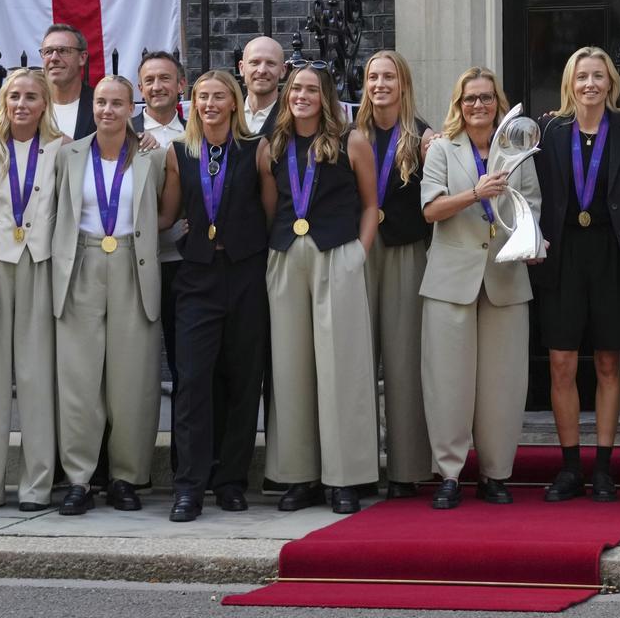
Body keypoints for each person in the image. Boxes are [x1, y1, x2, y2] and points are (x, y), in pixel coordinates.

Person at [260, 65, 381, 515]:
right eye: (296, 88)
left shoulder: (353, 141)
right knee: (290, 368)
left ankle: (345, 477)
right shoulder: (272, 145)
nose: (302, 96)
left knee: (341, 368)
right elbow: (270, 207)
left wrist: (358, 255)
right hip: (286, 257)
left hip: (338, 256)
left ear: (326, 97)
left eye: (311, 89)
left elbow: (370, 205)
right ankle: (299, 476)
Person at [419, 68, 542, 509]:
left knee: (502, 384)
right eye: (470, 98)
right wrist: (476, 193)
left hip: (505, 277)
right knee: (448, 381)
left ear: (498, 103)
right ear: (459, 104)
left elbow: (531, 206)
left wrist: (534, 240)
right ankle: (450, 474)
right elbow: (431, 210)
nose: (478, 105)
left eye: (486, 98)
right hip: (451, 281)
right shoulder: (441, 150)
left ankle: (495, 474)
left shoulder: (517, 150)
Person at [52, 74, 166, 515]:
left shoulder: (152, 155)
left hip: (133, 264)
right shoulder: (68, 154)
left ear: (131, 108)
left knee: (132, 379)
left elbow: (166, 208)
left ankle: (126, 477)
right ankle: (79, 479)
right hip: (82, 262)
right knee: (79, 379)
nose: (107, 110)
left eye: (117, 103)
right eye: (100, 102)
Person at [536, 46, 620, 504]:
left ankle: (602, 467)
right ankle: (569, 467)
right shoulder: (550, 130)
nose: (590, 84)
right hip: (562, 256)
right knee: (561, 363)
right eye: (582, 76)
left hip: (611, 255)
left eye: (599, 76)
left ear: (611, 82)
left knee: (607, 363)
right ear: (570, 83)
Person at [161, 71, 268, 523]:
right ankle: (190, 485)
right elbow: (166, 214)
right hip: (197, 277)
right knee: (192, 381)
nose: (209, 103)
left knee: (243, 379)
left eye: (218, 96)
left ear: (234, 103)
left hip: (245, 273)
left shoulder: (256, 149)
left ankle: (230, 482)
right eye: (202, 96)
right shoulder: (178, 152)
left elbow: (270, 212)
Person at [0, 67, 64, 512]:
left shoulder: (62, 149)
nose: (21, 104)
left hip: (40, 265)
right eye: (14, 96)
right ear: (3, 102)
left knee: (38, 378)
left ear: (44, 104)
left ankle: (37, 485)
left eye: (31, 97)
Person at [355, 50, 435, 498]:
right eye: (373, 77)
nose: (380, 84)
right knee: (357, 360)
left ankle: (407, 469)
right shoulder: (350, 135)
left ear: (403, 84)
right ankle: (359, 467)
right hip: (359, 252)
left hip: (406, 250)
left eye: (388, 77)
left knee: (405, 361)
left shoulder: (423, 137)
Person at [133, 51, 188, 418]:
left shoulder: (196, 130)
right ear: (140, 88)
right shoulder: (122, 132)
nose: (157, 86)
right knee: (135, 362)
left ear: (181, 84)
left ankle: (184, 449)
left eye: (165, 78)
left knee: (185, 359)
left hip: (183, 262)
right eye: (149, 80)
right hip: (135, 264)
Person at [40, 24, 95, 140]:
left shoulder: (100, 105)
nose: (54, 58)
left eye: (63, 50)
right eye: (48, 51)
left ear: (82, 58)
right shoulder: (31, 105)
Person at [238, 36, 287, 135]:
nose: (262, 70)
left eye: (270, 63)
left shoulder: (293, 117)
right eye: (254, 63)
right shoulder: (228, 113)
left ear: (283, 70)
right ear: (241, 68)